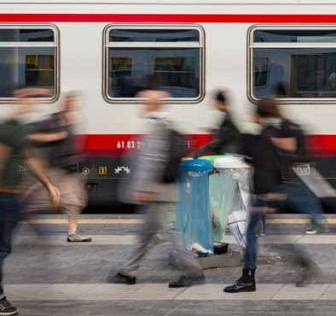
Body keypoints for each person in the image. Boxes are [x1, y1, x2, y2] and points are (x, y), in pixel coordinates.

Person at [109, 90, 205, 288]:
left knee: (172, 233)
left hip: (157, 190)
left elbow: (152, 159)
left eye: (144, 102)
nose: (142, 105)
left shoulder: (156, 127)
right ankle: (127, 270)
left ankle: (193, 272)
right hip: (161, 188)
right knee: (145, 232)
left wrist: (144, 187)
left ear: (153, 104)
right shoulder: (166, 124)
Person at [224, 98, 321, 293]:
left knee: (253, 234)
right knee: (272, 236)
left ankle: (248, 277)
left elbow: (265, 165)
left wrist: (266, 194)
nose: (250, 116)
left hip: (263, 192)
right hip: (271, 190)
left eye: (253, 113)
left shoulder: (265, 137)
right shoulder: (275, 134)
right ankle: (303, 263)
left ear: (259, 115)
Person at [0, 88, 61, 316]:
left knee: (2, 249)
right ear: (19, 101)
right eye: (30, 99)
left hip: (12, 195)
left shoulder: (20, 129)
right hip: (4, 195)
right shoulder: (7, 129)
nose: (35, 104)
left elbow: (29, 158)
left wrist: (49, 185)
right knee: (0, 249)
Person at [22, 91, 91, 242]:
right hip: (55, 167)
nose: (73, 105)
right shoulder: (52, 120)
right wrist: (50, 137)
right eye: (70, 102)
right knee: (38, 199)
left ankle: (72, 234)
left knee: (73, 202)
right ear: (64, 103)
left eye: (75, 102)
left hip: (71, 168)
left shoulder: (75, 121)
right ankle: (21, 217)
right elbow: (27, 134)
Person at [194, 89, 241, 157]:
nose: (214, 104)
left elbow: (219, 140)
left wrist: (200, 151)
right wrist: (213, 130)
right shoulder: (227, 116)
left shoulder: (226, 119)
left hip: (230, 153)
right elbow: (225, 133)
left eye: (215, 102)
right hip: (231, 152)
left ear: (220, 103)